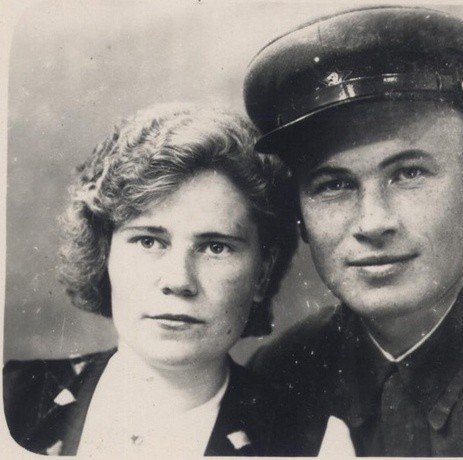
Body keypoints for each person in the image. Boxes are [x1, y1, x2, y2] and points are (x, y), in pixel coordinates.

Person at [243, 6, 463, 457]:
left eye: (409, 174)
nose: (374, 223)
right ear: (300, 212)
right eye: (334, 185)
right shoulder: (280, 374)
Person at [3, 103, 348, 457]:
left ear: (262, 273)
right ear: (104, 253)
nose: (178, 280)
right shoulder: (13, 401)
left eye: (215, 247)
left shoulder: (318, 445)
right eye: (148, 241)